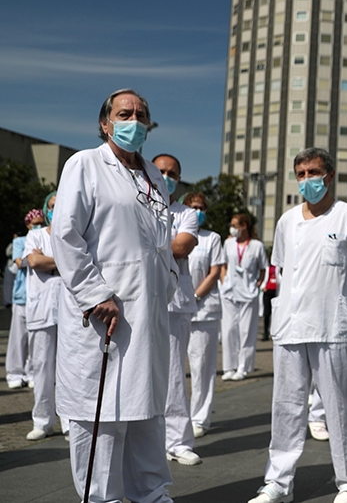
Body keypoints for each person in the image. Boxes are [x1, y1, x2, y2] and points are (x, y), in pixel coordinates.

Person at [50, 88, 176, 502]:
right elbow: (65, 235)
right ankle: (102, 498)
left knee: (146, 410)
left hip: (149, 311)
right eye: (124, 114)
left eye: (141, 114)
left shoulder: (154, 176)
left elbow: (162, 241)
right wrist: (94, 294)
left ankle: (151, 494)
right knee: (101, 413)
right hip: (105, 314)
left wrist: (169, 281)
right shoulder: (85, 164)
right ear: (105, 124)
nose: (134, 121)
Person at [249, 147, 347, 503]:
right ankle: (278, 483)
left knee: (339, 406)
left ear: (329, 176)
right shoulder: (287, 221)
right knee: (286, 407)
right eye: (301, 174)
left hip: (332, 327)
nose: (307, 180)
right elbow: (283, 270)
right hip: (290, 325)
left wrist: (340, 301)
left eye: (314, 172)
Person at [152, 154, 203, 466]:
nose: (166, 177)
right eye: (161, 171)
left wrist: (147, 242)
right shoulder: (136, 205)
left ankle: (178, 441)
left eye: (173, 173)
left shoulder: (186, 214)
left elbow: (182, 247)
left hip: (174, 303)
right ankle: (147, 441)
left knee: (172, 373)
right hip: (139, 298)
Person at [23, 192, 69, 440]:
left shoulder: (72, 235)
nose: (55, 210)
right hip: (41, 310)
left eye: (59, 205)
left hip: (68, 310)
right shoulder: (35, 235)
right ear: (45, 208)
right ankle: (42, 421)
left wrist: (48, 260)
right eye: (51, 206)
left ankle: (70, 422)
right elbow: (34, 261)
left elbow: (76, 262)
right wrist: (63, 263)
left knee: (69, 368)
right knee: (41, 367)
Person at [183, 192, 225, 439]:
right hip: (176, 309)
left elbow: (214, 272)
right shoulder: (174, 235)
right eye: (193, 207)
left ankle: (199, 417)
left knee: (201, 368)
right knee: (174, 368)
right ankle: (175, 417)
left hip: (204, 311)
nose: (197, 212)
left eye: (201, 208)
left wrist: (195, 297)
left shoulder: (212, 238)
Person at [220, 213, 268, 381]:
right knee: (228, 330)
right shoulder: (228, 243)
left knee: (246, 331)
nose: (232, 228)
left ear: (244, 226)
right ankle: (229, 367)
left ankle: (243, 367)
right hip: (230, 292)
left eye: (235, 225)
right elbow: (223, 265)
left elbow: (263, 268)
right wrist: (224, 281)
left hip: (248, 294)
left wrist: (258, 284)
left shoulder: (257, 246)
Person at [5, 210, 40, 389]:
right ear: (28, 225)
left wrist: (37, 258)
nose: (38, 226)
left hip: (39, 296)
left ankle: (31, 372)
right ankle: (14, 373)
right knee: (18, 338)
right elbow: (20, 263)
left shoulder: (45, 238)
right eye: (35, 224)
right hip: (22, 296)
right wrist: (36, 258)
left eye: (41, 223)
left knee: (36, 338)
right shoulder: (19, 241)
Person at [262, 264, 278, 341]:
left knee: (276, 313)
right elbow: (262, 275)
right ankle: (266, 332)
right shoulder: (267, 267)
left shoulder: (278, 266)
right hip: (268, 290)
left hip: (276, 291)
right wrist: (262, 286)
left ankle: (275, 332)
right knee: (267, 313)